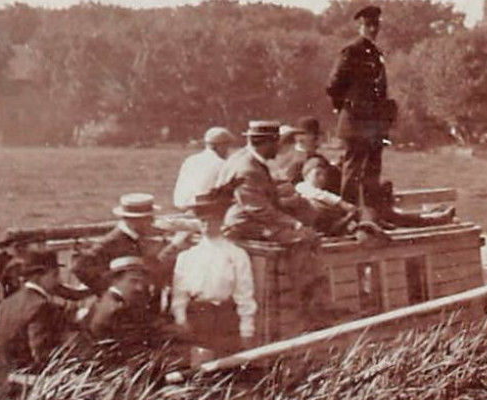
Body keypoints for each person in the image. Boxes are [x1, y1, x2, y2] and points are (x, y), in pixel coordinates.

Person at [216, 120, 337, 322]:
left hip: (249, 216)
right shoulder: (248, 169)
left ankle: (314, 299)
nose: (279, 147)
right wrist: (294, 223)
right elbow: (259, 209)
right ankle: (306, 305)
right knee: (302, 239)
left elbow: (265, 198)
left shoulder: (247, 159)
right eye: (276, 143)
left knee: (307, 233)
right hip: (244, 224)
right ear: (266, 143)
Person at [170, 191, 258, 361]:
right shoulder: (187, 256)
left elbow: (244, 294)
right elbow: (179, 293)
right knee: (198, 364)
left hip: (225, 317)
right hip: (196, 316)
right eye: (203, 220)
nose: (208, 225)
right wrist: (181, 318)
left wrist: (247, 329)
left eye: (213, 220)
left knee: (226, 364)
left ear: (221, 221)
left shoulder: (236, 254)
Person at [326, 5, 396, 216]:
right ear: (360, 26)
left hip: (374, 123)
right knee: (353, 169)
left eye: (376, 25)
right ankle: (348, 216)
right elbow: (333, 85)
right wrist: (345, 108)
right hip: (356, 121)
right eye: (368, 25)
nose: (373, 29)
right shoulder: (352, 51)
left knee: (372, 170)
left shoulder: (375, 54)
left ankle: (372, 216)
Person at [0, 248, 70, 394]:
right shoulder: (42, 306)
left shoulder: (6, 304)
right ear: (41, 276)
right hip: (26, 388)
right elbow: (41, 353)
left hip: (0, 383)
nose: (58, 280)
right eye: (55, 275)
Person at [72, 193, 181, 300]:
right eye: (148, 218)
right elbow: (79, 268)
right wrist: (107, 291)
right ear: (133, 220)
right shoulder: (111, 242)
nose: (152, 221)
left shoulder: (138, 237)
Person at [81, 256, 176, 358]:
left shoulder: (113, 299)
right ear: (115, 280)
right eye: (133, 281)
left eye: (141, 282)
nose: (139, 287)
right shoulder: (115, 308)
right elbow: (130, 345)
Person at [173, 127, 235, 210]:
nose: (228, 151)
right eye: (226, 146)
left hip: (183, 206)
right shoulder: (222, 164)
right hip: (206, 208)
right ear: (216, 146)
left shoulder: (190, 160)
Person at [276, 116, 324, 185]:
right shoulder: (286, 159)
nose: (317, 138)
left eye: (317, 134)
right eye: (313, 135)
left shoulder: (321, 159)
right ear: (298, 137)